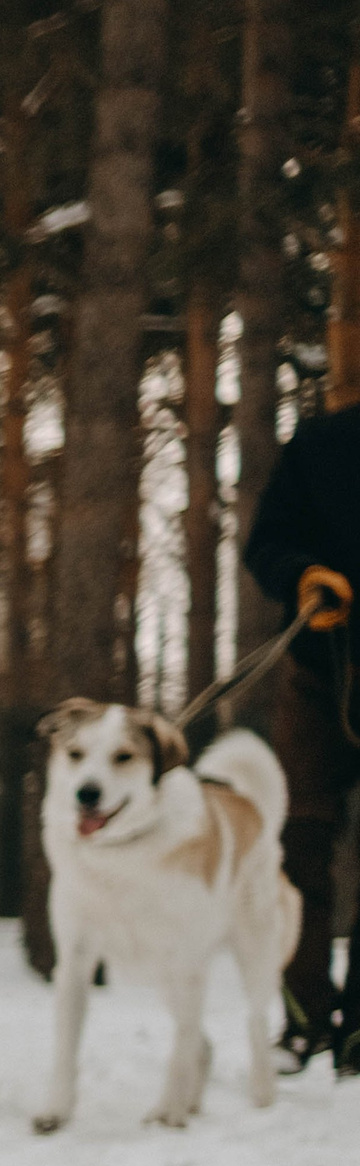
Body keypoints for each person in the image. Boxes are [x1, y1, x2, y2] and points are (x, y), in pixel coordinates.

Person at [244, 402, 360, 1072]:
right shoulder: (324, 440)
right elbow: (269, 540)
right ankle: (303, 1015)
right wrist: (304, 576)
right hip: (319, 674)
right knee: (297, 841)